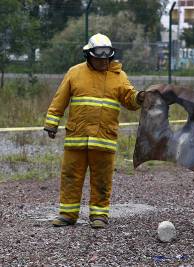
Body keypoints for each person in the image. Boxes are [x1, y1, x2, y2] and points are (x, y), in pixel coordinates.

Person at [44, 33, 146, 229]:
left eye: (106, 58)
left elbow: (129, 98)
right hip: (77, 137)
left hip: (103, 139)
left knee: (101, 178)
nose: (102, 62)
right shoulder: (74, 73)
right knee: (71, 176)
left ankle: (99, 215)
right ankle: (67, 214)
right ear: (89, 55)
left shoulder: (119, 76)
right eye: (98, 58)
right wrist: (51, 123)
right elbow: (60, 100)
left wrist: (139, 98)